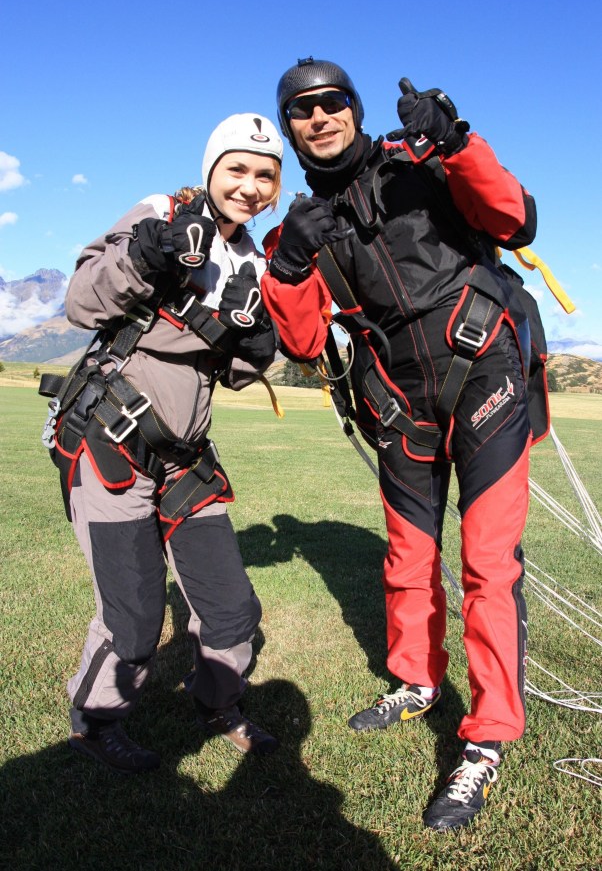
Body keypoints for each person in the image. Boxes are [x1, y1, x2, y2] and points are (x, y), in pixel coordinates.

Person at [261, 57, 539, 831]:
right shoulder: (297, 231)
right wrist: (286, 267)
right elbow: (305, 336)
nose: (319, 119)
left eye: (331, 103)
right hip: (399, 408)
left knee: (488, 564)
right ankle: (416, 681)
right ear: (291, 129)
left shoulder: (419, 161)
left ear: (353, 107)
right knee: (407, 559)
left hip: (486, 376)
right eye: (301, 112)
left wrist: (458, 141)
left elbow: (515, 218)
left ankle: (484, 741)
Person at [40, 113, 284, 773]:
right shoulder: (160, 211)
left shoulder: (254, 261)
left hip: (187, 455)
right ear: (212, 169)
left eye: (265, 175)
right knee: (134, 615)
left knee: (233, 607)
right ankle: (96, 723)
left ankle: (219, 704)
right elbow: (82, 302)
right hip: (111, 440)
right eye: (237, 168)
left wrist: (258, 348)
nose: (250, 185)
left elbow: (226, 369)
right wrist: (144, 256)